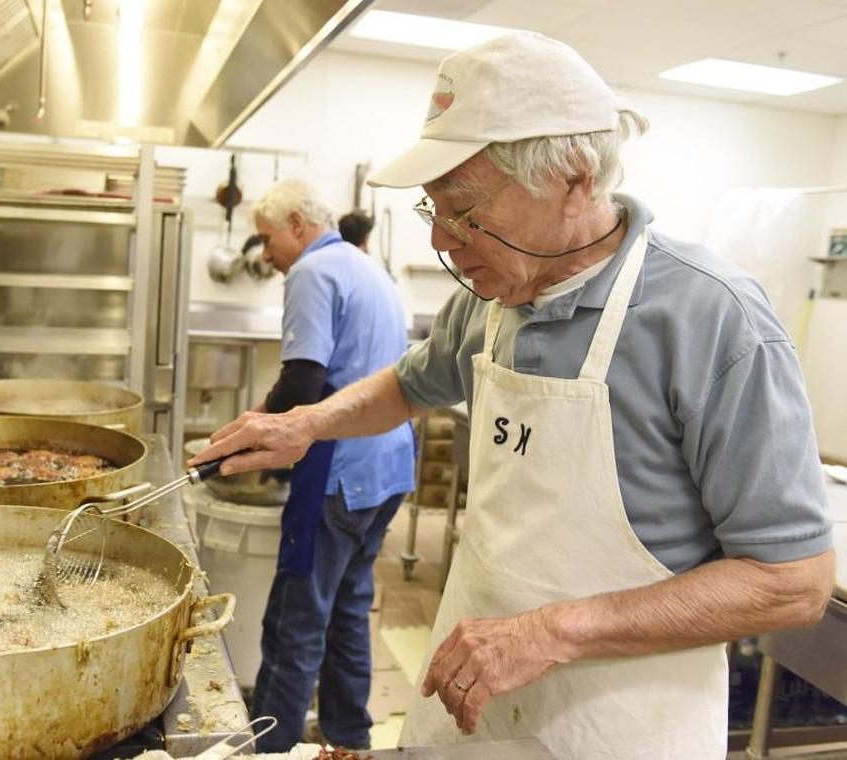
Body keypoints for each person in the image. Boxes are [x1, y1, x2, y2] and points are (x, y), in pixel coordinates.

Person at [190, 32, 834, 760]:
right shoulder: (494, 294)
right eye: (435, 212)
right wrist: (307, 423)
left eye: (465, 212)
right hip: (475, 710)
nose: (445, 242)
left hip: (620, 729)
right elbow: (409, 384)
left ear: (576, 180)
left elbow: (793, 583)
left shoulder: (712, 319)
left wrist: (551, 631)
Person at [242, 180, 416, 752]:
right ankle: (347, 737)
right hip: (388, 468)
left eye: (267, 239)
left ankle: (270, 746)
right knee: (347, 608)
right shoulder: (366, 266)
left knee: (296, 619)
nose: (265, 254)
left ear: (296, 224)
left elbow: (303, 381)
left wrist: (253, 430)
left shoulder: (312, 273)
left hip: (339, 473)